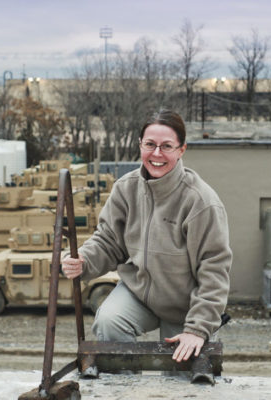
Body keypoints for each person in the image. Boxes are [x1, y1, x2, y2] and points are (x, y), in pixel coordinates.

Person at [62, 109, 232, 365]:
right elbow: (108, 240)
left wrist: (198, 328)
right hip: (139, 293)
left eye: (167, 146)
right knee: (109, 322)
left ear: (181, 150)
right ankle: (125, 388)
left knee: (180, 374)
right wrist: (83, 260)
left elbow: (214, 267)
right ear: (140, 145)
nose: (156, 154)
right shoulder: (126, 189)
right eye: (150, 145)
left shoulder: (200, 202)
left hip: (185, 306)